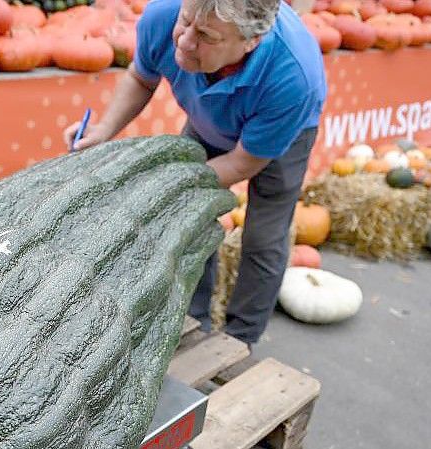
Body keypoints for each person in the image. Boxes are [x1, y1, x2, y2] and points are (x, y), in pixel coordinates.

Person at [63, 0, 327, 345]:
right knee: (188, 218)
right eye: (185, 21)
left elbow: (243, 163)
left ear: (251, 41)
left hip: (280, 132)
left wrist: (169, 183)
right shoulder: (163, 15)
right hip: (210, 120)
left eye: (205, 35)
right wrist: (104, 129)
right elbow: (141, 78)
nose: (185, 41)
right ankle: (192, 320)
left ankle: (240, 339)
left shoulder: (293, 77)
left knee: (264, 235)